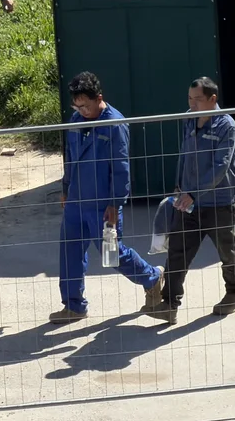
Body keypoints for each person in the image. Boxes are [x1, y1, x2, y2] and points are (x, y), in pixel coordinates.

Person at [52, 71, 164, 323]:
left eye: (86, 105)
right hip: (75, 202)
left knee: (112, 255)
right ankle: (74, 305)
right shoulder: (75, 120)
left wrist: (116, 202)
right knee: (69, 252)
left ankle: (152, 277)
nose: (81, 110)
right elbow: (70, 158)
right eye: (77, 105)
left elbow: (121, 166)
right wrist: (66, 188)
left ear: (98, 98)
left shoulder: (114, 124)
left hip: (102, 205)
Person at [145, 78, 235, 325]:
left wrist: (194, 192)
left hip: (218, 202)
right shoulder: (189, 118)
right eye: (189, 98)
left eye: (197, 99)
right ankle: (169, 304)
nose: (192, 104)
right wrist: (180, 187)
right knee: (177, 251)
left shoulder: (227, 126)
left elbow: (220, 167)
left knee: (227, 251)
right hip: (188, 201)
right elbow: (184, 154)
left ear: (213, 99)